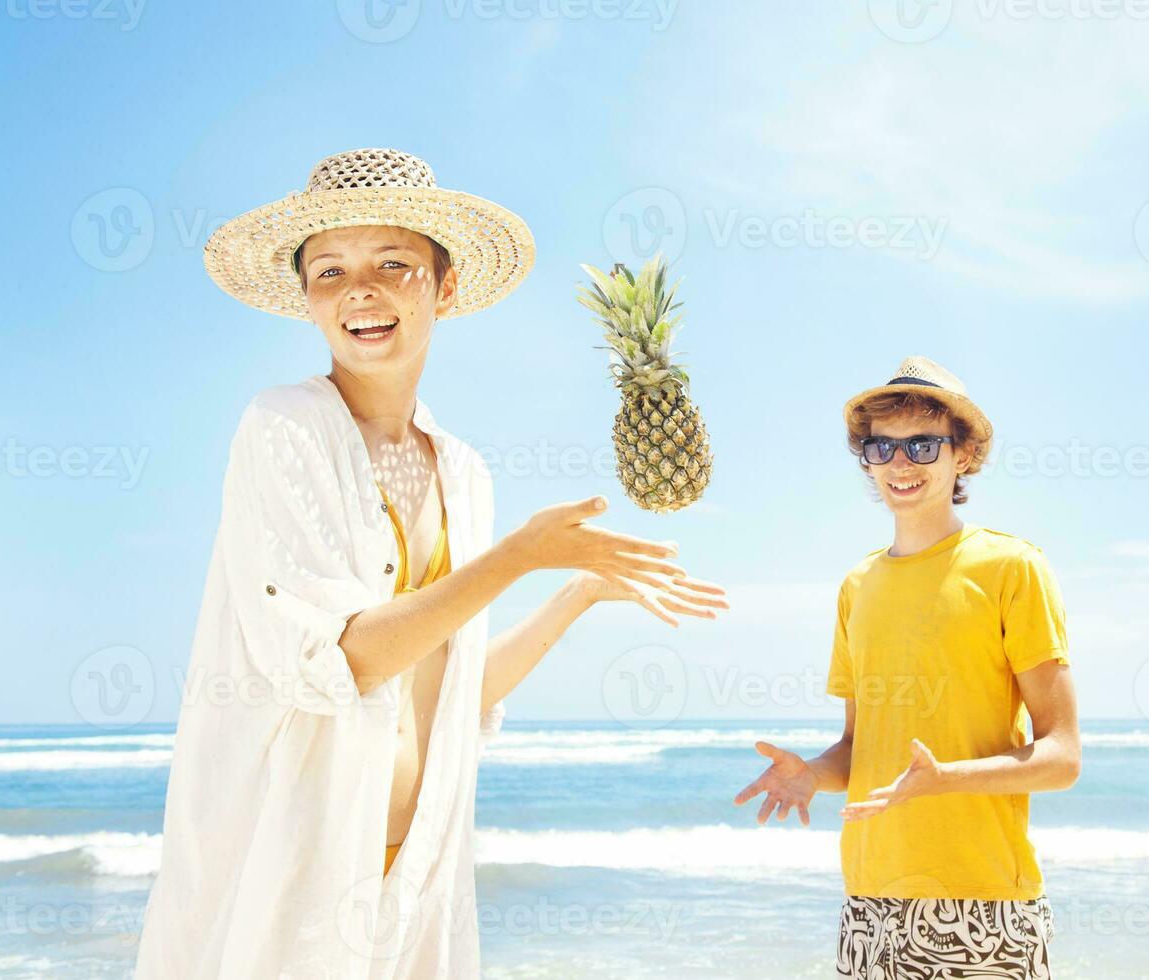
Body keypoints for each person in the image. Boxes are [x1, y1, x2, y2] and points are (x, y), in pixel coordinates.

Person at [133, 148, 727, 979]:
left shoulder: (462, 470)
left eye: (392, 264)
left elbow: (456, 689)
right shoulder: (284, 428)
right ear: (307, 299)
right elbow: (339, 662)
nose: (359, 292)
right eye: (329, 272)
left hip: (416, 882)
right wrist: (519, 555)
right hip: (298, 862)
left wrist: (577, 592)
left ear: (445, 288)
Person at [734, 356, 1079, 979]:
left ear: (963, 455)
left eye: (923, 444)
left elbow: (1062, 758)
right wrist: (812, 774)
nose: (900, 463)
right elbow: (857, 747)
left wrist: (945, 778)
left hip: (985, 905)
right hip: (870, 907)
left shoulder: (1012, 568)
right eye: (882, 447)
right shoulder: (857, 586)